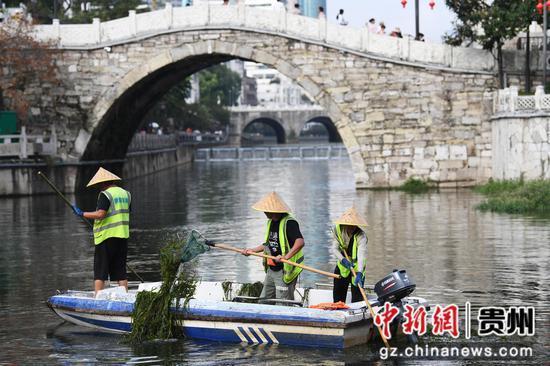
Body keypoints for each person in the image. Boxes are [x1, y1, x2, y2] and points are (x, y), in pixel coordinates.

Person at [72, 167, 132, 295]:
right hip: (122, 236)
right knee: (120, 270)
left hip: (106, 237)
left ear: (103, 182)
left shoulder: (106, 194)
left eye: (99, 184)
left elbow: (100, 214)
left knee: (100, 270)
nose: (99, 187)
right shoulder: (126, 194)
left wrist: (83, 213)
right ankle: (125, 296)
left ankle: (98, 297)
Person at [242, 192, 305, 301]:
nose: (265, 213)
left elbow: (300, 242)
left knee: (283, 301)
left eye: (267, 210)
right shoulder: (270, 222)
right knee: (264, 299)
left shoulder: (289, 223)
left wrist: (285, 257)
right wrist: (252, 250)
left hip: (285, 270)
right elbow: (268, 244)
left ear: (274, 211)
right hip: (272, 269)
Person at [331, 206, 368, 303]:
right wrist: (343, 260)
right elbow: (334, 249)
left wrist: (359, 272)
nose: (351, 227)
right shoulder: (338, 230)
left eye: (354, 225)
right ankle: (338, 311)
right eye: (349, 225)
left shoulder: (361, 236)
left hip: (356, 268)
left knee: (357, 298)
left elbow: (361, 255)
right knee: (338, 297)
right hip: (342, 266)